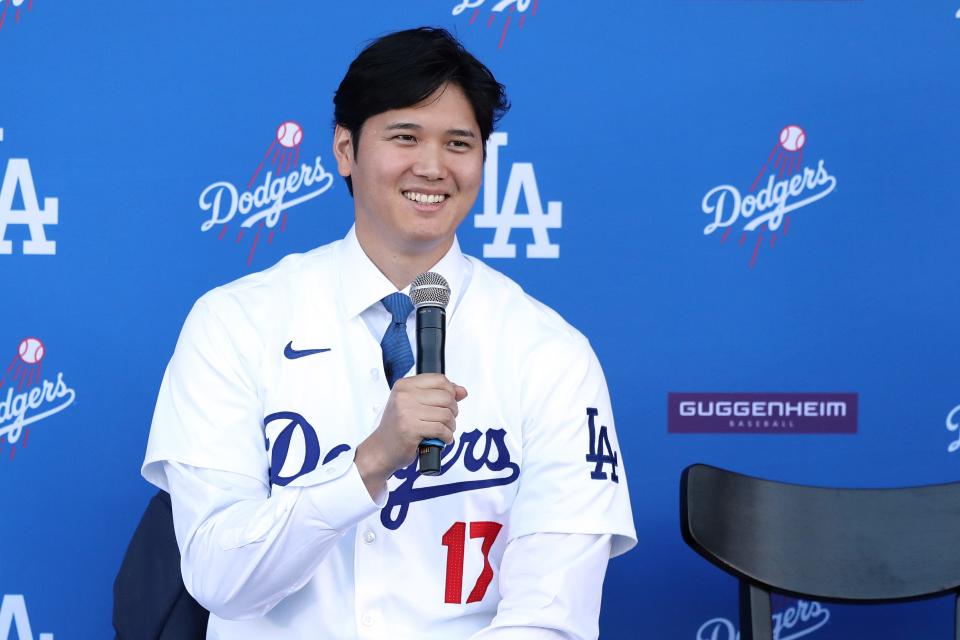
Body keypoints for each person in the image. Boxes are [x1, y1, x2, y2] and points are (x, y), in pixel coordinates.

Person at [142, 27, 636, 639]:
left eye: (460, 143)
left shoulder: (550, 352)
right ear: (345, 150)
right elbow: (218, 579)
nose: (432, 166)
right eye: (405, 136)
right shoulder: (235, 322)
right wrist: (367, 466)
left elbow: (552, 618)